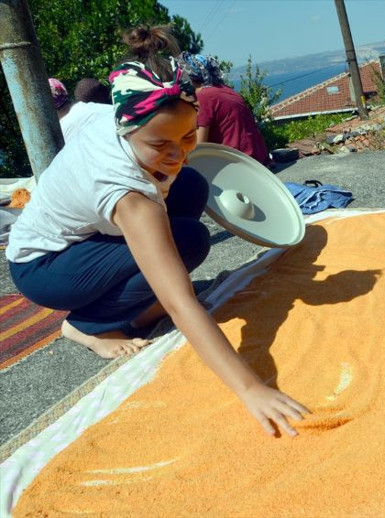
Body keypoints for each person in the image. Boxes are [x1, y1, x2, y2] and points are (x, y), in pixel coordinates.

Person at [7, 25, 308, 437]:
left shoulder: (114, 110)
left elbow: (172, 148)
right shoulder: (129, 195)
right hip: (42, 266)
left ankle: (117, 301)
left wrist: (170, 153)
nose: (175, 152)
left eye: (186, 136)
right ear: (128, 130)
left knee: (192, 185)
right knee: (187, 244)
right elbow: (183, 303)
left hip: (84, 236)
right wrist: (252, 388)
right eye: (158, 145)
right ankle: (89, 325)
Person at [178, 52, 272, 167]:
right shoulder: (226, 90)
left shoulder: (204, 96)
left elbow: (199, 147)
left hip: (237, 164)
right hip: (257, 160)